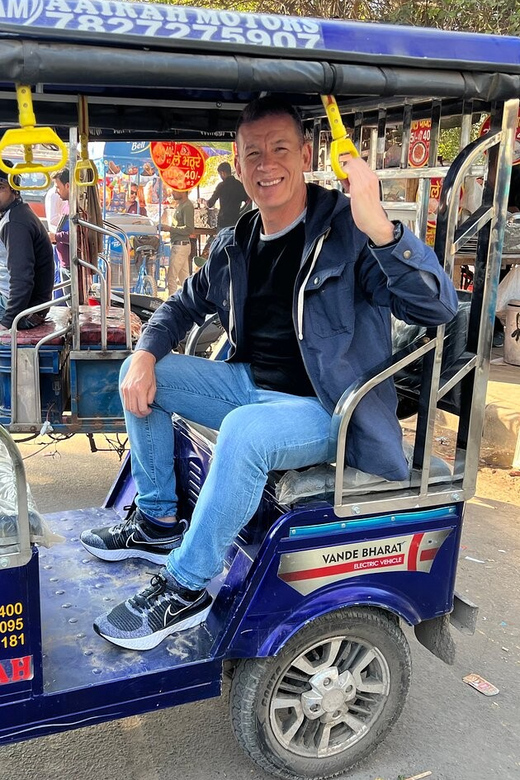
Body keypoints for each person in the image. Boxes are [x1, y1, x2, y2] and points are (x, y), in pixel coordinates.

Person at [81, 96, 458, 651]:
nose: (266, 164)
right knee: (143, 373)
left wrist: (380, 225)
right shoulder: (237, 240)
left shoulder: (349, 230)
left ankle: (186, 586)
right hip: (247, 385)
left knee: (243, 433)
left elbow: (438, 308)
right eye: (252, 152)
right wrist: (143, 353)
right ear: (236, 159)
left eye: (279, 148)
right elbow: (179, 307)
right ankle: (158, 523)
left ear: (305, 155)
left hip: (330, 409)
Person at [0, 160, 54, 330]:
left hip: (19, 310)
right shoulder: (17, 213)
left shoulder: (15, 223)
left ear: (14, 189)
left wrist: (6, 323)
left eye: (0, 187)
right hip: (24, 304)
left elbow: (22, 278)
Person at [159, 190, 194, 294]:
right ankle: (189, 302)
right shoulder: (180, 205)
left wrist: (170, 229)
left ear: (182, 191)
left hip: (180, 245)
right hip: (178, 244)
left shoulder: (187, 206)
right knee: (184, 278)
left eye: (174, 190)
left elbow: (189, 229)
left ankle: (171, 303)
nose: (172, 193)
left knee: (171, 277)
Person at [205, 161, 250, 228]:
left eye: (220, 174)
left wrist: (203, 201)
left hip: (223, 221)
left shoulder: (221, 186)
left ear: (222, 173)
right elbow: (248, 200)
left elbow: (210, 204)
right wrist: (241, 212)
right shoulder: (239, 185)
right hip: (236, 220)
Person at [49, 168, 70, 276]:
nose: (57, 191)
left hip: (72, 266)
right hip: (64, 264)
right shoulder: (66, 205)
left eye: (58, 187)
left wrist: (56, 237)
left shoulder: (76, 208)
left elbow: (77, 235)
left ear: (67, 186)